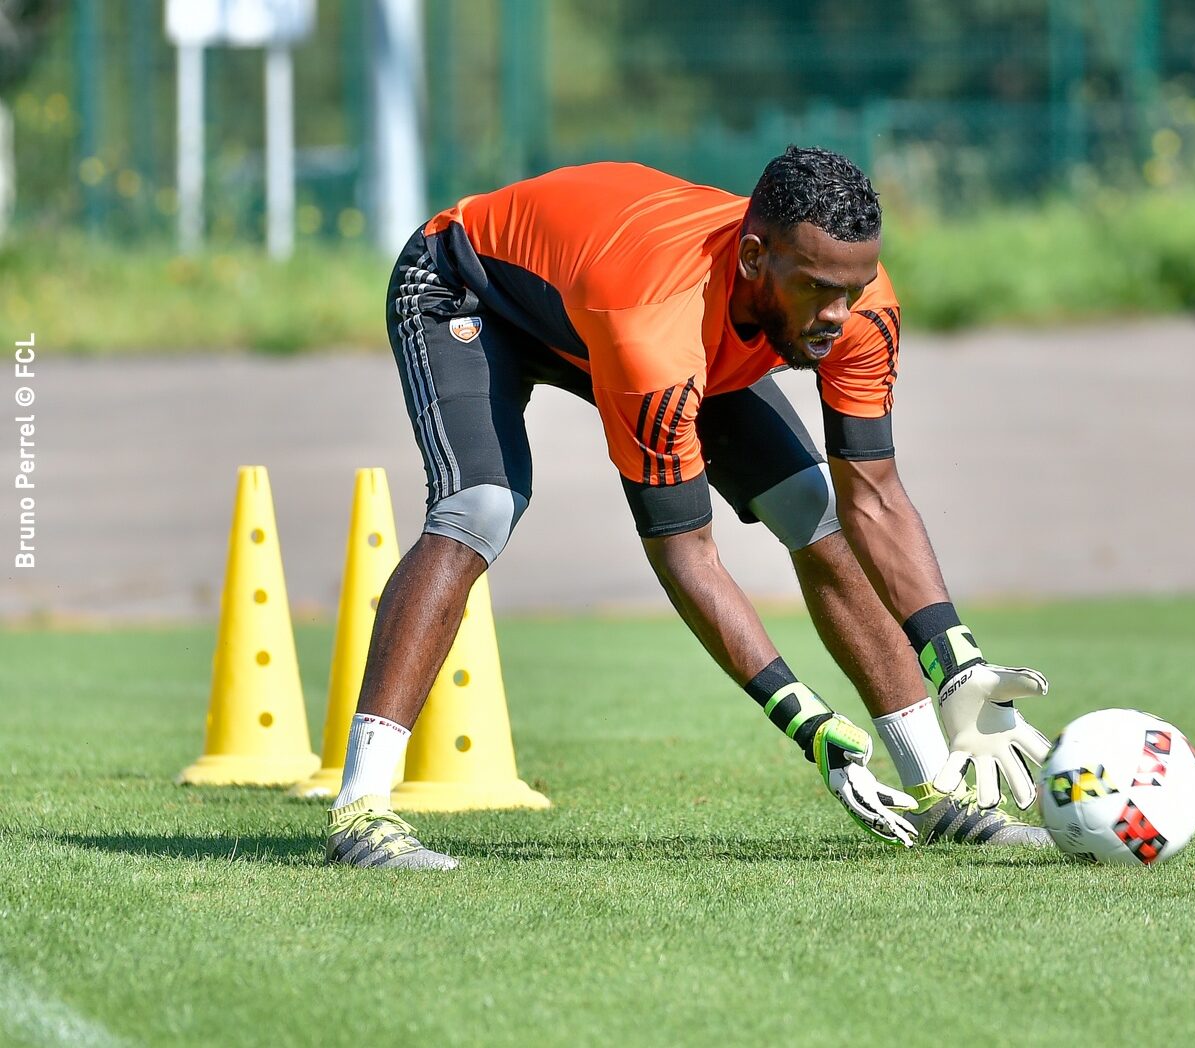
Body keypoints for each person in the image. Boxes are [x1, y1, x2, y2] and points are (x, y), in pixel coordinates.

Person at [326, 147, 1053, 869]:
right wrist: (798, 712)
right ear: (754, 259)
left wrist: (957, 659)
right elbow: (684, 552)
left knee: (811, 504)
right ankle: (361, 812)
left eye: (852, 289)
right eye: (815, 289)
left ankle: (940, 793)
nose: (836, 315)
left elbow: (876, 495)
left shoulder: (855, 302)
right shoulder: (655, 333)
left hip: (622, 302)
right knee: (478, 508)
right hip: (472, 287)